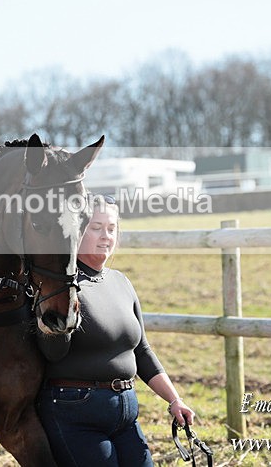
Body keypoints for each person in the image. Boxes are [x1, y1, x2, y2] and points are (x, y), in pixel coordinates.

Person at [36, 195, 196, 466]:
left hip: (126, 413)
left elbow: (142, 351)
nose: (105, 236)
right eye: (96, 228)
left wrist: (174, 400)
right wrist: (53, 325)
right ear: (77, 231)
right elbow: (53, 354)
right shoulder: (61, 289)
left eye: (111, 229)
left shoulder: (121, 282)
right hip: (75, 412)